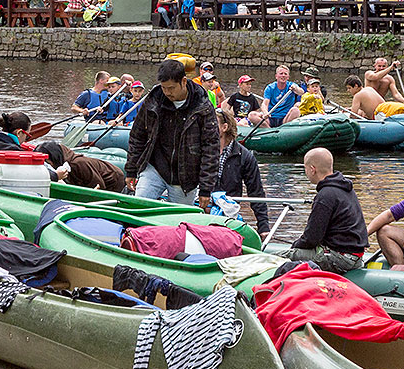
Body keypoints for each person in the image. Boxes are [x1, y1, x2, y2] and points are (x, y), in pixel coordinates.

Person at [124, 57, 219, 206]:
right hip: (154, 167)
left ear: (183, 82)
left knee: (178, 220)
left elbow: (211, 148)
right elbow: (137, 135)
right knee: (138, 205)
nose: (167, 92)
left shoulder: (203, 106)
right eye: (164, 87)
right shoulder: (154, 99)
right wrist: (131, 169)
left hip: (185, 177)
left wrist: (206, 189)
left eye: (171, 88)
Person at [277, 147, 367, 270]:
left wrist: (294, 247)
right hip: (355, 256)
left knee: (279, 258)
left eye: (305, 168)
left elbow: (311, 238)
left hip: (340, 258)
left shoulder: (325, 195)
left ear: (312, 169)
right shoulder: (346, 188)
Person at [214, 108, 270, 238]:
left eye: (212, 123)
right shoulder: (202, 151)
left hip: (228, 212)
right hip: (201, 208)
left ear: (224, 127)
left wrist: (263, 226)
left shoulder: (244, 156)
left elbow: (256, 192)